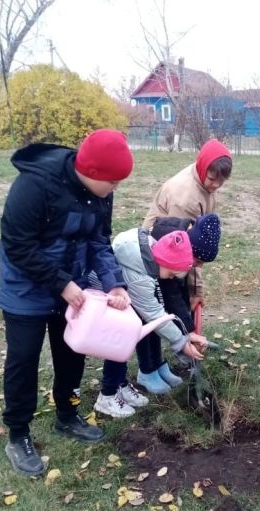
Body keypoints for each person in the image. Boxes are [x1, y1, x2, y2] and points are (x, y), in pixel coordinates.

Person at [0, 129, 133, 476]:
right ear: (93, 174)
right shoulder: (34, 185)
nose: (115, 189)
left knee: (72, 352)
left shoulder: (100, 193)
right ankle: (18, 433)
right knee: (24, 358)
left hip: (72, 285)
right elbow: (17, 245)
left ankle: (68, 414)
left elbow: (100, 240)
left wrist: (114, 284)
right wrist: (62, 284)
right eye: (114, 182)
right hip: (26, 287)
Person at [94, 230, 208, 417]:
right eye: (171, 274)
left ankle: (120, 385)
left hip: (121, 300)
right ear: (164, 263)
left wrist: (187, 334)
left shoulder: (151, 252)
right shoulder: (140, 278)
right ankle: (108, 395)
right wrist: (181, 342)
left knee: (126, 337)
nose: (171, 278)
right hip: (106, 299)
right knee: (119, 341)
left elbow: (158, 308)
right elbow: (154, 314)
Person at [136, 213, 221, 394]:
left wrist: (188, 330)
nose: (197, 266)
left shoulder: (187, 241)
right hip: (143, 290)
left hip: (160, 285)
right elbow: (171, 293)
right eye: (197, 262)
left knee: (160, 321)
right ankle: (147, 370)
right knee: (149, 324)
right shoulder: (168, 239)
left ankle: (158, 364)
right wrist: (185, 334)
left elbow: (178, 290)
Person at [143, 139, 232, 311]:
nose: (216, 185)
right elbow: (185, 251)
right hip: (156, 260)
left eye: (221, 182)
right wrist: (196, 290)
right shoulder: (185, 199)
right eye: (212, 179)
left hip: (170, 256)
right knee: (174, 307)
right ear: (203, 167)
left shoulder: (202, 176)